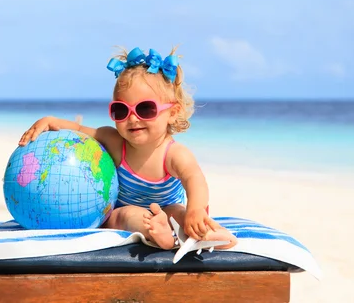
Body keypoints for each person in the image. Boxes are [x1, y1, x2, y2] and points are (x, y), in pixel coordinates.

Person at [18, 46, 237, 250]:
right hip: (126, 211)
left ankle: (207, 233)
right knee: (125, 216)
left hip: (167, 208)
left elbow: (194, 179)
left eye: (146, 109)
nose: (132, 118)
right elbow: (77, 128)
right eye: (121, 111)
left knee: (179, 212)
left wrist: (196, 210)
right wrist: (50, 120)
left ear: (172, 112)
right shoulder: (114, 141)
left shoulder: (173, 154)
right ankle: (158, 236)